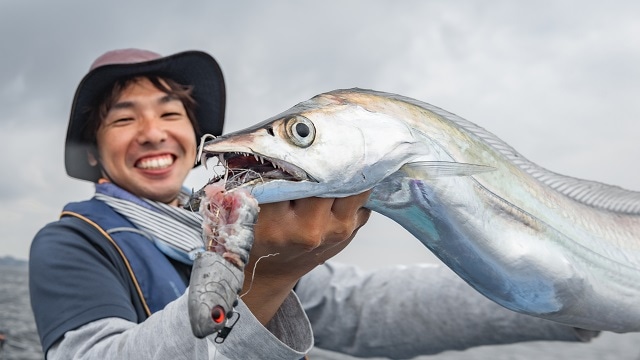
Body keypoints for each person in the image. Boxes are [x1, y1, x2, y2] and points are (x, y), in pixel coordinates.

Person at [29, 49, 598, 360]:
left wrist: (568, 299)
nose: (153, 132)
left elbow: (358, 307)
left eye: (170, 114)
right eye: (124, 118)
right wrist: (261, 282)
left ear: (195, 139)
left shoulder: (223, 221)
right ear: (97, 155)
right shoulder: (72, 241)